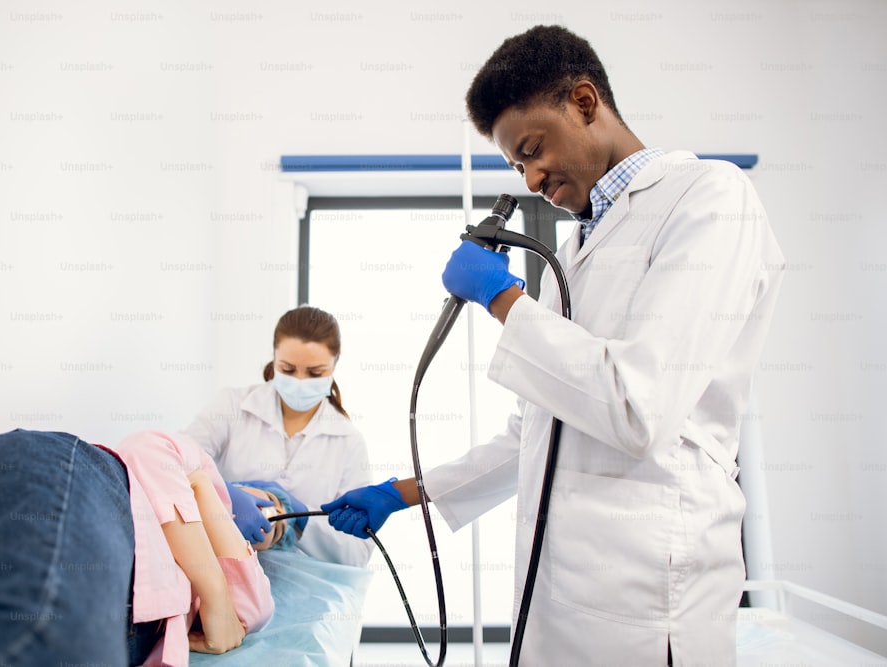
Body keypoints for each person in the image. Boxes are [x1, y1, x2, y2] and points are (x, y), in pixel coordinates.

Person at [321, 25, 785, 666]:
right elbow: (535, 433)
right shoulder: (575, 251)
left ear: (585, 103)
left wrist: (500, 299)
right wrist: (401, 494)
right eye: (516, 165)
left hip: (650, 603)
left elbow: (635, 404)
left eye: (533, 149)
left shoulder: (711, 198)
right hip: (563, 595)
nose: (532, 177)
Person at [0, 428, 279, 666]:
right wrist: (210, 492)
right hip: (77, 492)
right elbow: (148, 450)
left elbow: (243, 618)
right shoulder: (199, 472)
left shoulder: (251, 584)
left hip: (124, 618)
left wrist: (236, 556)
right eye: (266, 501)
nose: (268, 520)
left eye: (278, 524)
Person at [183, 305, 374, 568]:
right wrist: (223, 494)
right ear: (274, 359)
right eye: (287, 369)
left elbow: (358, 552)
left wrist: (301, 517)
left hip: (310, 591)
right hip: (227, 568)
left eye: (315, 373)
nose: (300, 381)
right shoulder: (231, 406)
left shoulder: (348, 441)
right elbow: (177, 463)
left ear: (334, 366)